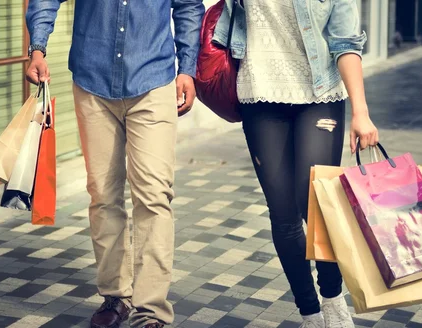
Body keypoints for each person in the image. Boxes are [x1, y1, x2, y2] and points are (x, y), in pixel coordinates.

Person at [25, 1, 204, 327]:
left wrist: (188, 69)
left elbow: (189, 6)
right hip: (93, 81)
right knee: (103, 193)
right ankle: (116, 295)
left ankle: (151, 311)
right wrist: (37, 48)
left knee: (153, 194)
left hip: (153, 79)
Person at [214, 0, 379, 327]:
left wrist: (361, 111)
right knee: (283, 211)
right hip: (259, 95)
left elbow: (345, 42)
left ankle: (332, 298)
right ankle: (310, 312)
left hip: (318, 96)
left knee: (318, 203)